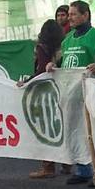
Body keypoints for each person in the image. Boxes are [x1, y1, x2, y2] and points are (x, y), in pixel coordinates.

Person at [46, 0, 95, 185]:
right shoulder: (67, 39)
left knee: (94, 132)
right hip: (72, 94)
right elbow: (62, 62)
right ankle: (83, 169)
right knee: (76, 130)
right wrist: (52, 65)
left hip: (92, 90)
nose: (70, 18)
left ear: (85, 15)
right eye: (70, 14)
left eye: (74, 14)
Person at [26, 20, 70, 179]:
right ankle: (67, 163)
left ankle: (48, 166)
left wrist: (26, 82)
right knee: (63, 127)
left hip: (45, 92)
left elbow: (41, 71)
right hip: (62, 89)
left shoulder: (41, 48)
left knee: (46, 129)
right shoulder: (63, 46)